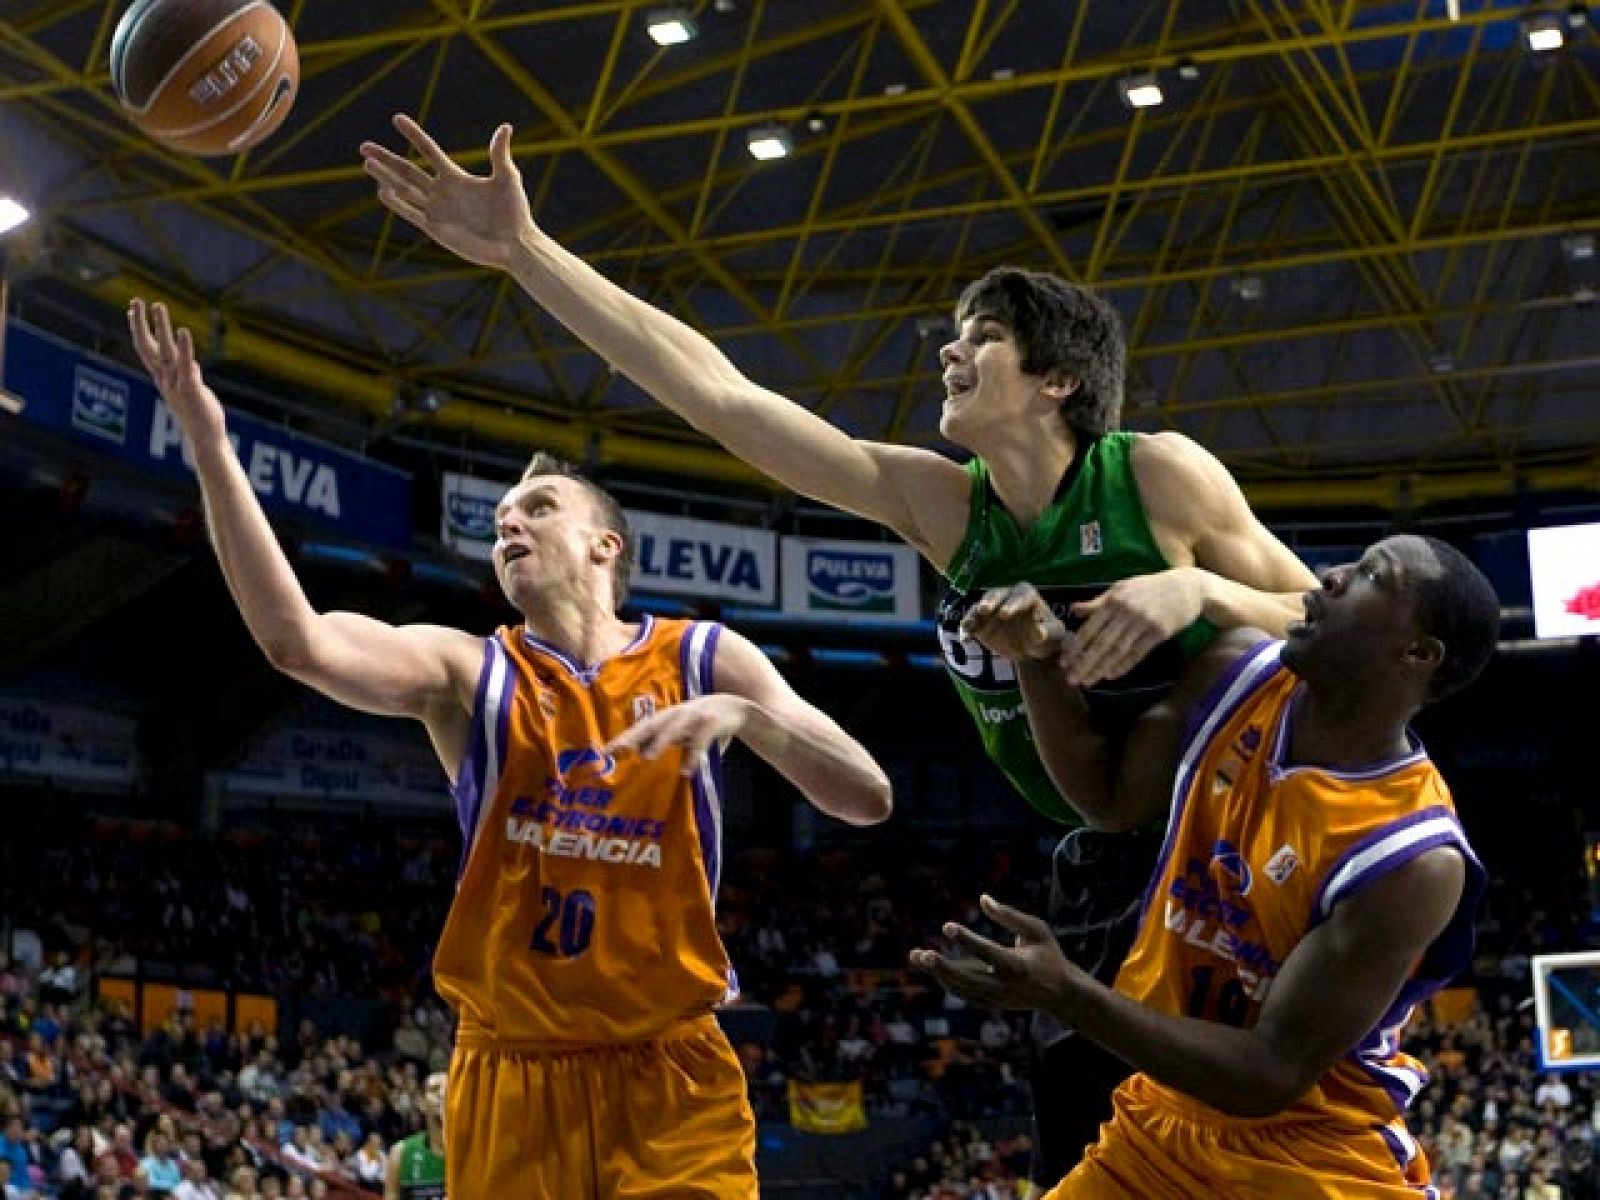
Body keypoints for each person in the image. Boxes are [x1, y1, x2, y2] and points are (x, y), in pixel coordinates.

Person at [359, 114, 1320, 1176]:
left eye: (982, 336)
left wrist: (1194, 586)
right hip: (1097, 861)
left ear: (1058, 381)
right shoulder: (947, 509)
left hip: (1228, 844)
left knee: (1254, 1156)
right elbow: (721, 397)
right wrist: (523, 253)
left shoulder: (1157, 476)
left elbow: (1327, 621)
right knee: (1099, 1159)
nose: (949, 348)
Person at [127, 299, 892, 1199]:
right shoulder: (469, 672)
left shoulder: (704, 657)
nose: (509, 526)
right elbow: (299, 641)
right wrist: (212, 448)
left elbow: (866, 794)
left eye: (536, 507)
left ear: (605, 545)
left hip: (669, 1071)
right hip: (512, 1073)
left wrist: (755, 720)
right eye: (498, 522)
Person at [911, 534, 1501, 1198]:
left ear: (1418, 654)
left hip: (1308, 1157)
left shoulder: (1412, 856)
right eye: (1350, 558)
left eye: (1371, 575)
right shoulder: (1236, 668)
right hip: (1161, 1123)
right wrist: (1040, 658)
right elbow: (1109, 800)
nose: (1332, 574)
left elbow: (1268, 1075)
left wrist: (1069, 992)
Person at [384, 1073, 444, 1200]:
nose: (443, 1094)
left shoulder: (477, 1153)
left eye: (451, 1090)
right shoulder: (400, 1153)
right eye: (435, 1089)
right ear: (421, 1102)